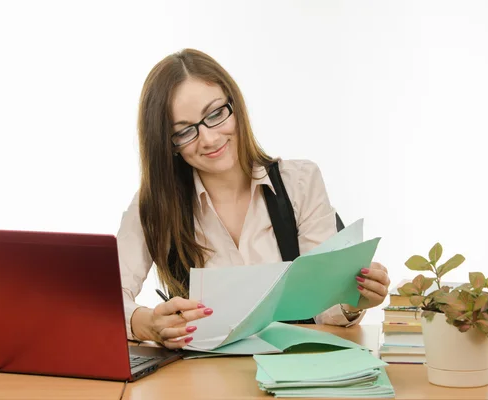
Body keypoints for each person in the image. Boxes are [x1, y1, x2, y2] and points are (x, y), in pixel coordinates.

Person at [117, 48, 391, 349]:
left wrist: (354, 299)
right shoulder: (155, 206)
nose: (208, 139)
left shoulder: (299, 183)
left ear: (236, 106)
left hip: (294, 371)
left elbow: (327, 308)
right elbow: (104, 300)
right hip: (200, 381)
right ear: (168, 145)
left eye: (215, 114)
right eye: (184, 132)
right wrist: (146, 324)